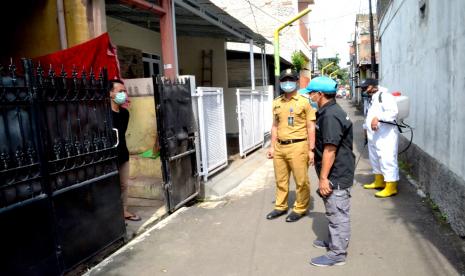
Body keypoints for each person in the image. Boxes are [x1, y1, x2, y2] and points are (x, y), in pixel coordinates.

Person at [305, 76, 355, 267]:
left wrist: (324, 178)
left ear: (320, 94)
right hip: (337, 170)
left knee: (338, 214)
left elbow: (330, 149)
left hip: (336, 173)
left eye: (311, 93)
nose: (310, 96)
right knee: (333, 210)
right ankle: (335, 241)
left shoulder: (331, 115)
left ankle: (337, 254)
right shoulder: (328, 111)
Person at [266, 69, 316, 222]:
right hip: (280, 147)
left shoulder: (304, 101)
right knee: (280, 180)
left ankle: (300, 208)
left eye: (290, 79)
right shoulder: (277, 102)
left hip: (298, 146)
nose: (287, 83)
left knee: (301, 180)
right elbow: (275, 126)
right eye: (284, 80)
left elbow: (310, 126)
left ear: (296, 81)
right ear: (280, 82)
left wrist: (311, 149)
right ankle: (280, 206)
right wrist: (272, 146)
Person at [360, 78, 399, 198]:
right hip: (374, 135)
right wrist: (365, 129)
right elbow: (369, 116)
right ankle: (379, 181)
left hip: (386, 135)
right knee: (375, 158)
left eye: (365, 88)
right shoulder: (372, 98)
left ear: (373, 86)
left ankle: (391, 186)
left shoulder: (385, 96)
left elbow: (393, 112)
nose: (363, 90)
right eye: (362, 88)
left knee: (387, 159)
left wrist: (378, 118)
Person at [109, 79, 141, 221]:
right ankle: (112, 215)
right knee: (110, 186)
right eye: (120, 91)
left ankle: (124, 211)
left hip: (123, 153)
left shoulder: (124, 113)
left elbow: (122, 133)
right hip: (109, 157)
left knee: (123, 185)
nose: (123, 94)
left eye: (124, 91)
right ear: (110, 93)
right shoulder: (103, 114)